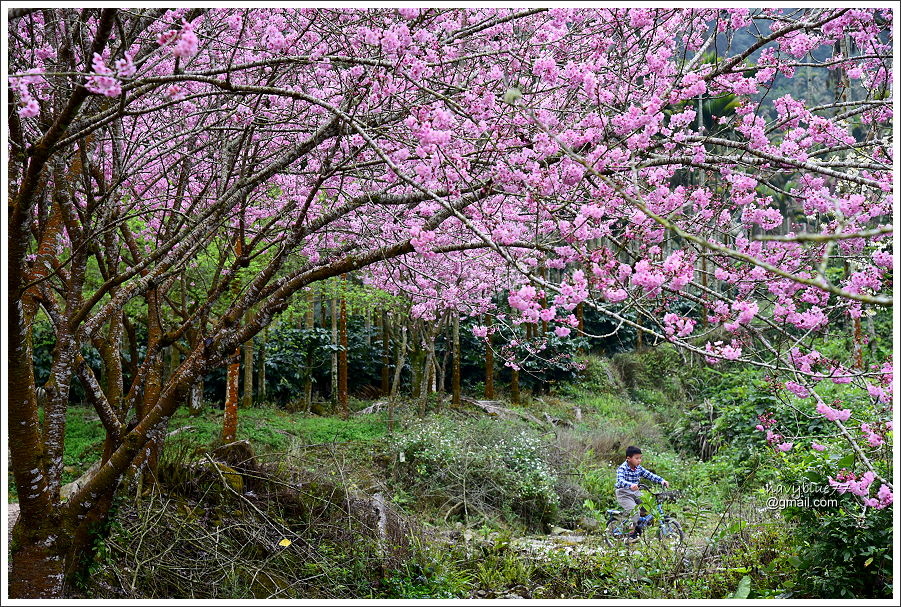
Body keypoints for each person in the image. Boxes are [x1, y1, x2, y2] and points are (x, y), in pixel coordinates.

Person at [614, 445, 669, 542]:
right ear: (629, 458)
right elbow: (620, 481)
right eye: (636, 458)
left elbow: (649, 475)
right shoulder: (622, 468)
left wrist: (661, 480)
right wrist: (630, 485)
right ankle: (630, 536)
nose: (639, 460)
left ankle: (638, 525)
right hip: (623, 493)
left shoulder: (639, 468)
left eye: (640, 458)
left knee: (649, 505)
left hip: (635, 492)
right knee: (635, 513)